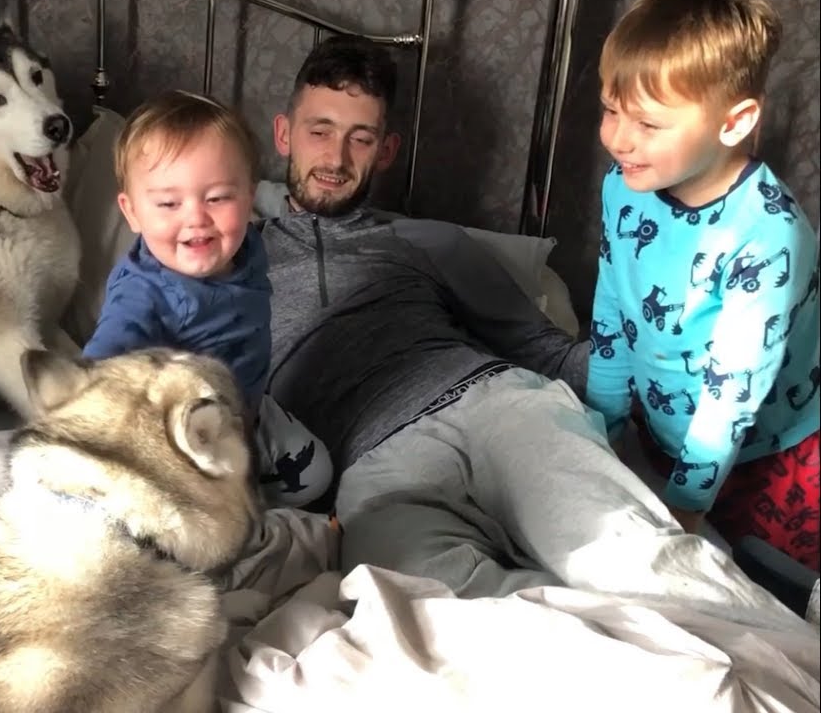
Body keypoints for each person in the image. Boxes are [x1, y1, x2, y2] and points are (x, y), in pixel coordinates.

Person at [253, 32, 806, 630]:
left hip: (493, 408)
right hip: (374, 472)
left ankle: (795, 662)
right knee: (444, 622)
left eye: (359, 138)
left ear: (386, 151)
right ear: (284, 134)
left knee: (633, 565)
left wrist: (676, 366)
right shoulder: (225, 269)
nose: (336, 158)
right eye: (319, 130)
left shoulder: (430, 242)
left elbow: (549, 351)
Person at [584, 0, 819, 572]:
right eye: (611, 110)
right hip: (670, 428)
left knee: (769, 597)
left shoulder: (768, 237)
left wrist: (684, 512)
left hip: (774, 449)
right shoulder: (623, 187)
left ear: (734, 122)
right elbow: (613, 307)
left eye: (647, 123)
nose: (618, 139)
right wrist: (600, 426)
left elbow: (731, 396)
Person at [82, 89, 333, 508]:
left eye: (217, 198)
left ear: (249, 197)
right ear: (131, 212)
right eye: (168, 203)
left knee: (316, 474)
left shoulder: (247, 245)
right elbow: (102, 360)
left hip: (246, 401)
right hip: (179, 434)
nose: (196, 217)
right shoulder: (144, 292)